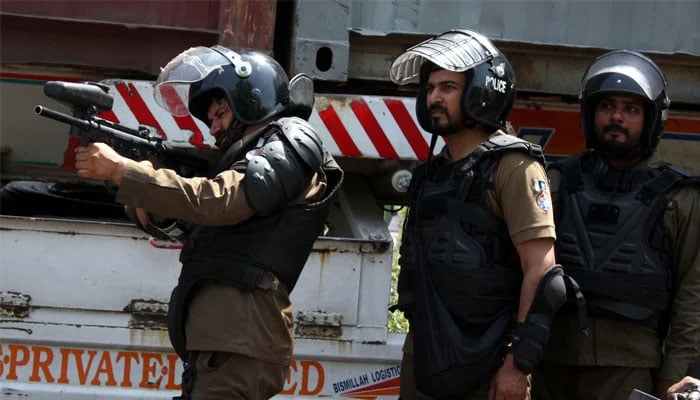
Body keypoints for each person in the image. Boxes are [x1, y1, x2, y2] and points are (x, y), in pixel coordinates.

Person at [73, 45, 343, 399]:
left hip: (239, 341)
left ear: (253, 96)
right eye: (210, 118)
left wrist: (125, 171)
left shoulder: (289, 139)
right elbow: (187, 222)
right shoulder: (240, 161)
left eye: (220, 112)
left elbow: (219, 201)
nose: (214, 126)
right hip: (224, 343)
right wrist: (137, 187)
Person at [389, 29, 581, 400]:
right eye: (429, 88)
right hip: (426, 356)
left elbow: (543, 274)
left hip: (489, 361)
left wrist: (517, 365)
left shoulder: (514, 167)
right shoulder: (432, 171)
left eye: (447, 87)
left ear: (482, 91)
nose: (433, 98)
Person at [531, 50, 700, 400]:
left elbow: (692, 297)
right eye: (606, 106)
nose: (616, 117)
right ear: (590, 113)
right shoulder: (556, 181)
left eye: (631, 109)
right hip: (550, 357)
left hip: (629, 366)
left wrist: (673, 376)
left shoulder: (679, 199)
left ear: (651, 118)